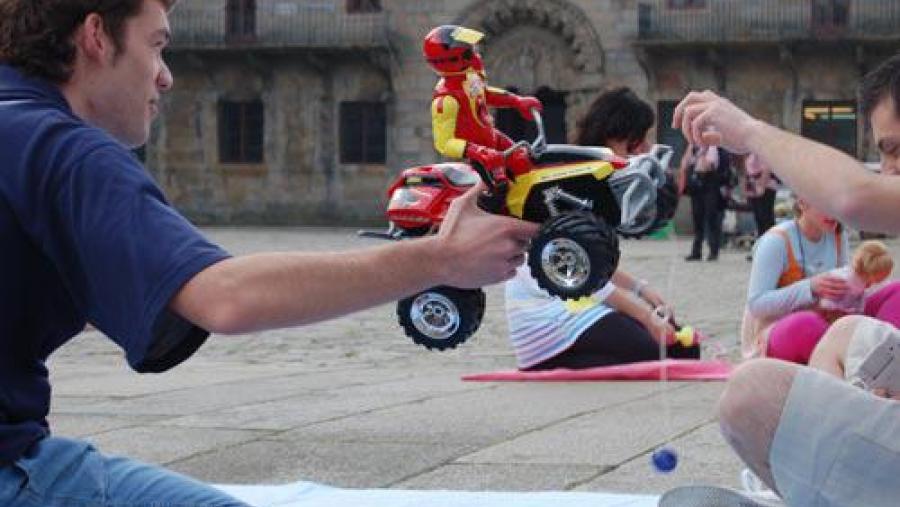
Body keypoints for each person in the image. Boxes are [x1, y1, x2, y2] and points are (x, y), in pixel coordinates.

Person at [0, 2, 539, 506]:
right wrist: (439, 258)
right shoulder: (66, 150)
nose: (165, 75)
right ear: (96, 36)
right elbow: (228, 296)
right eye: (157, 45)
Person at [671, 54, 900, 506]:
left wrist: (749, 130)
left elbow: (853, 194)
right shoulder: (780, 241)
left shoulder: (839, 229)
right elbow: (759, 304)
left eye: (893, 150)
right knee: (845, 332)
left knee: (750, 393)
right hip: (783, 328)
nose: (888, 170)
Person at [505, 87, 700, 371]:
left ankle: (575, 360)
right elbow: (583, 275)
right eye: (636, 143)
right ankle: (558, 359)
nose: (643, 151)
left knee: (678, 342)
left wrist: (641, 290)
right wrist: (646, 316)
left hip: (570, 306)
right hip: (550, 316)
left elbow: (595, 265)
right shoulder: (568, 182)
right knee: (675, 350)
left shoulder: (594, 179)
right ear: (612, 135)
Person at [740, 197, 850, 364]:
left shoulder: (837, 235)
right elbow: (756, 304)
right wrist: (810, 287)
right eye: (824, 204)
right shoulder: (777, 241)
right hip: (777, 332)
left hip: (825, 323)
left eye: (835, 204)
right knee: (808, 323)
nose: (832, 213)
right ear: (802, 202)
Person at [679, 143, 733, 261]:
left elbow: (708, 165)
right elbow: (685, 163)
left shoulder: (714, 147)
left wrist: (699, 157)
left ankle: (713, 251)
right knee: (697, 218)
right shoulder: (694, 146)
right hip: (697, 183)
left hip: (711, 183)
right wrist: (694, 155)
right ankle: (696, 251)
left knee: (711, 217)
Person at [818, 240, 894, 319]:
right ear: (869, 271)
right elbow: (827, 307)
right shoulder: (842, 280)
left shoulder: (871, 281)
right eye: (881, 275)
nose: (883, 279)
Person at [744, 152, 778, 239]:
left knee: (765, 216)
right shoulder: (750, 153)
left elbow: (767, 169)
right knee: (758, 217)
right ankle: (761, 240)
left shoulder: (761, 152)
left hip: (765, 186)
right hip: (754, 184)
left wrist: (761, 186)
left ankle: (770, 242)